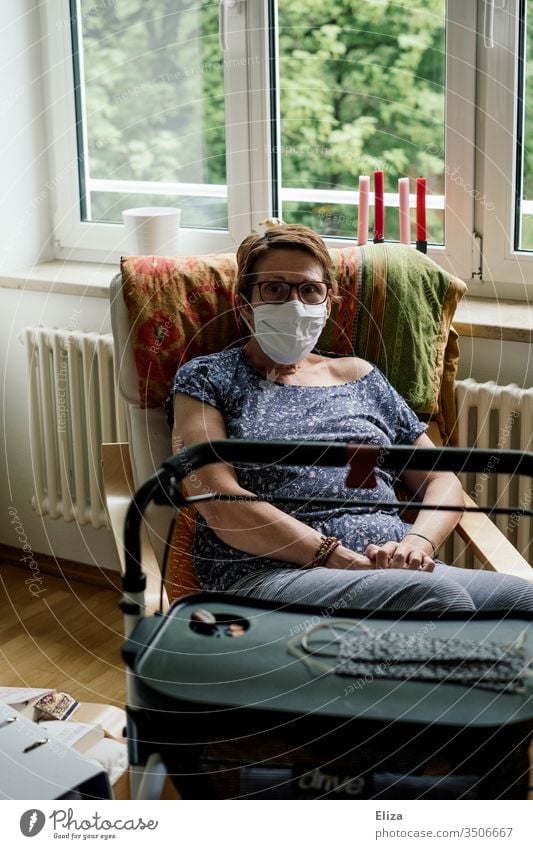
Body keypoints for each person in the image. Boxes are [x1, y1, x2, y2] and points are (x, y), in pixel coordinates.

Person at [170, 223, 533, 614]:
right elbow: (220, 502)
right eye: (274, 288)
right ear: (245, 303)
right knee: (436, 601)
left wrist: (416, 545)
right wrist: (336, 556)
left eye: (310, 289)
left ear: (328, 303)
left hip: (393, 568)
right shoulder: (209, 378)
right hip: (272, 571)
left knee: (524, 602)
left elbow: (440, 478)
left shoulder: (361, 377)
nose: (295, 303)